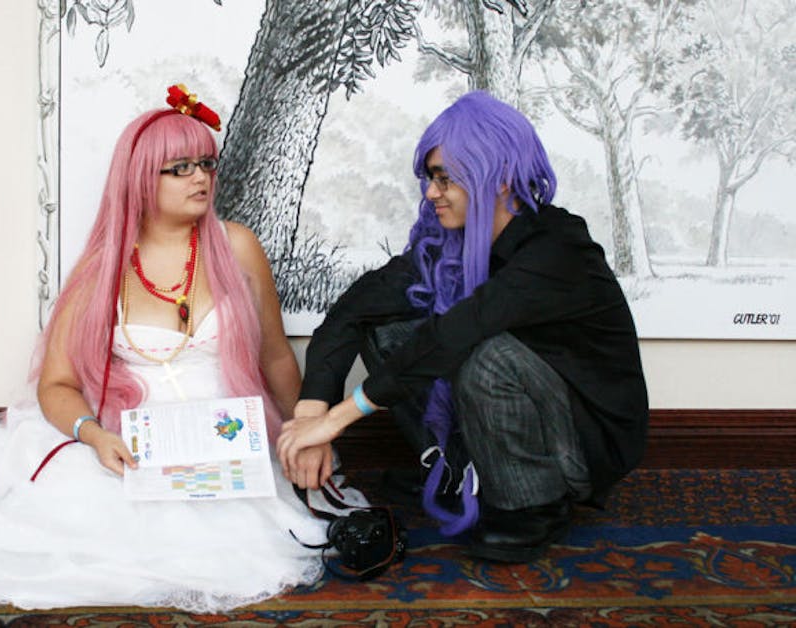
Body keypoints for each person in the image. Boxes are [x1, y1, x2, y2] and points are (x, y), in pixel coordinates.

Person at [0, 87, 336, 611]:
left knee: (250, 545)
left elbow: (275, 356)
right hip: (133, 440)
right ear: (139, 179)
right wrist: (95, 435)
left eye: (206, 164)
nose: (200, 177)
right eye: (179, 167)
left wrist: (305, 432)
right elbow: (56, 385)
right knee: (76, 540)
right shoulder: (102, 269)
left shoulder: (238, 245)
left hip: (224, 440)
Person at [277, 90, 649, 564]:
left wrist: (338, 418)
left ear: (498, 178)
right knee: (388, 331)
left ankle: (533, 507)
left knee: (483, 354)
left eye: (445, 178)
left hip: (580, 444)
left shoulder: (557, 247)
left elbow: (463, 330)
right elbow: (354, 309)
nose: (431, 193)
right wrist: (312, 416)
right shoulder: (446, 246)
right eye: (430, 178)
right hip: (510, 410)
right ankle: (459, 469)